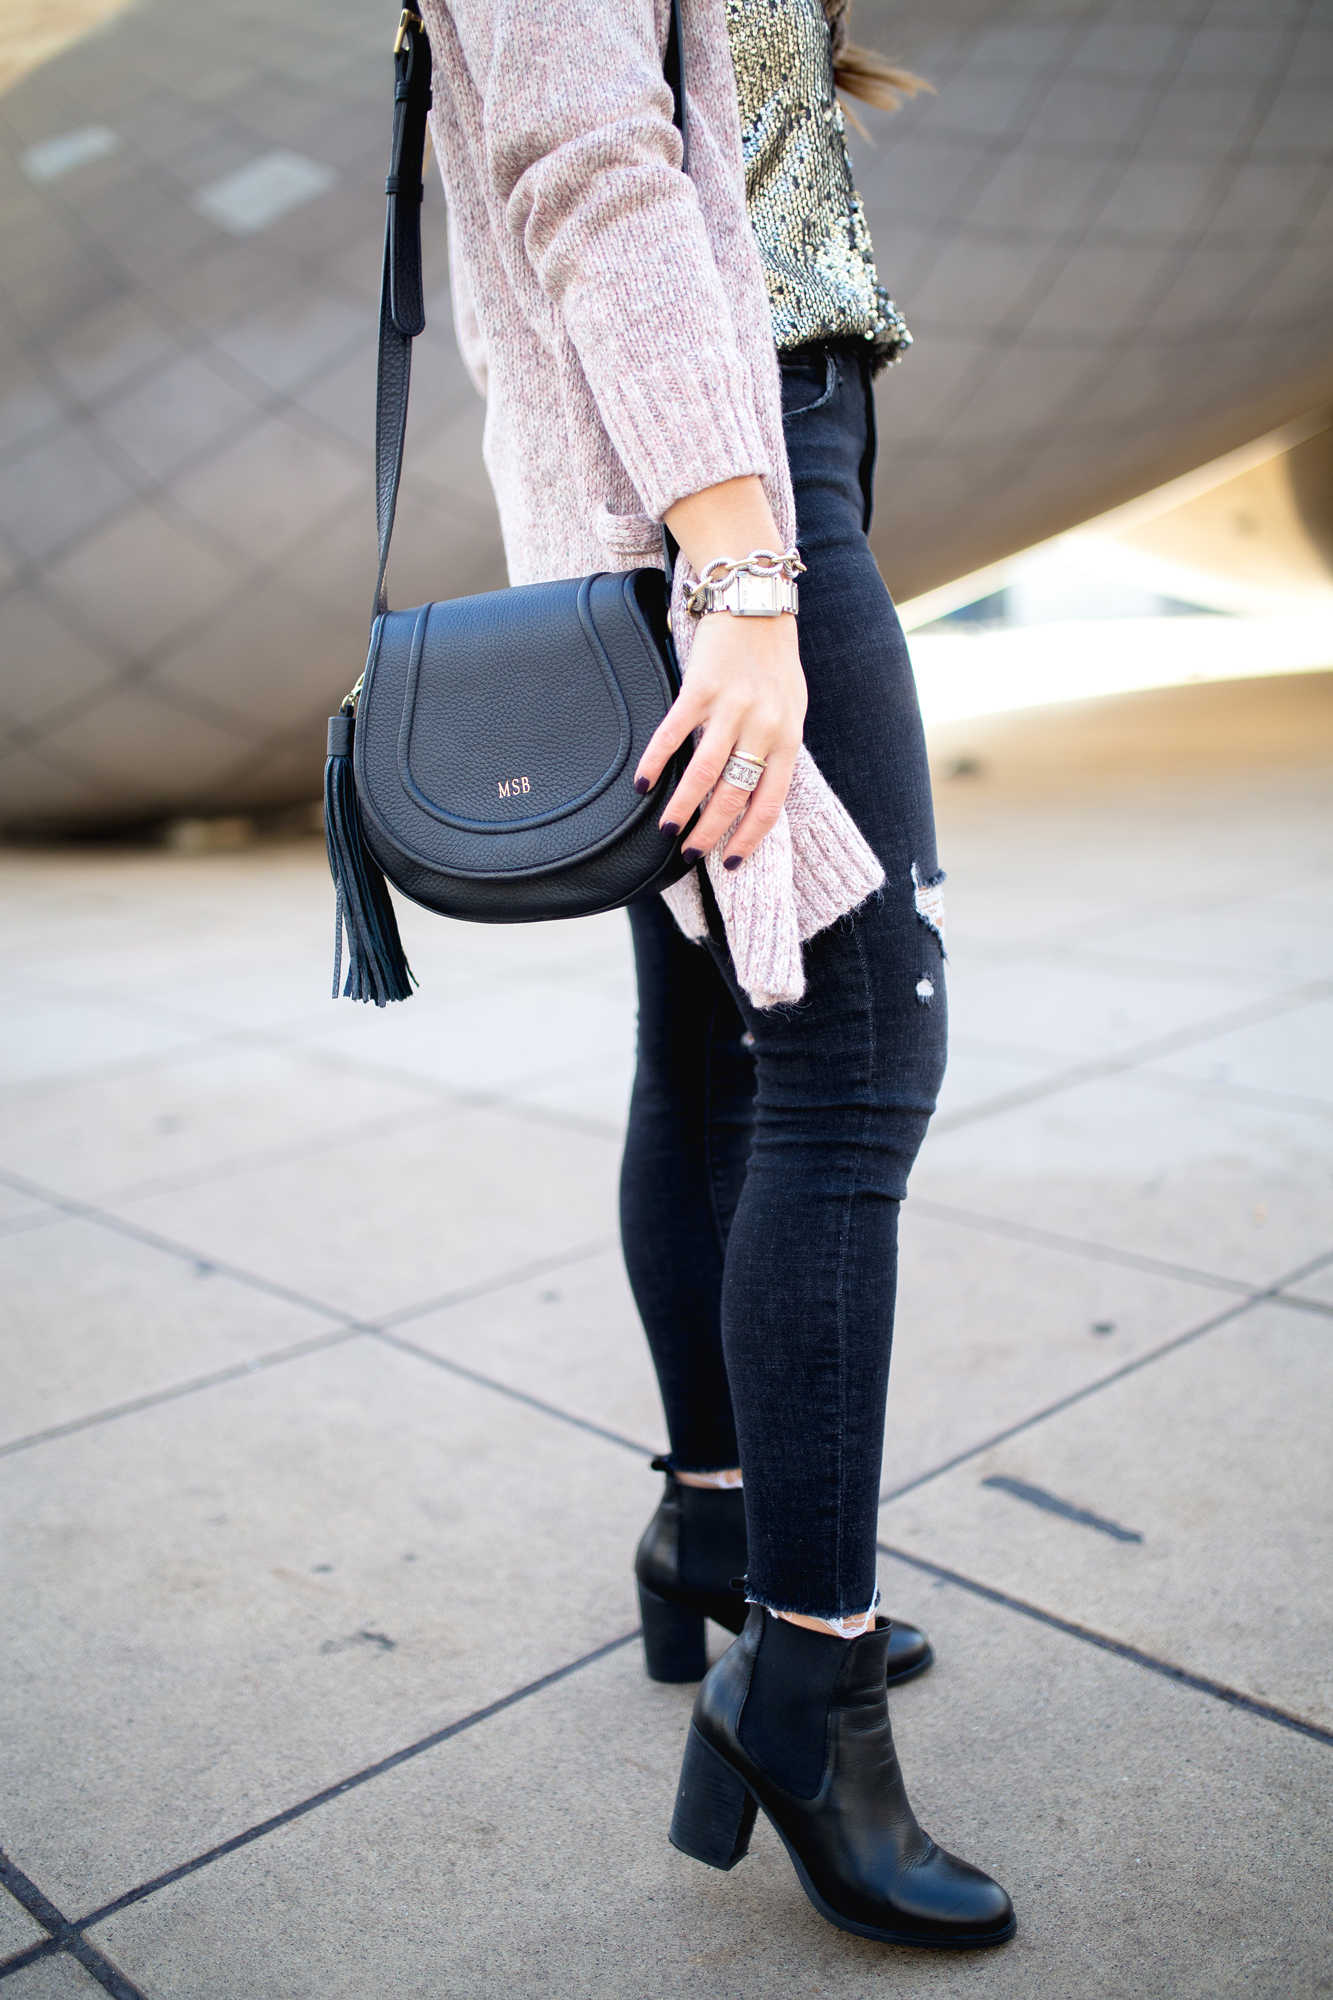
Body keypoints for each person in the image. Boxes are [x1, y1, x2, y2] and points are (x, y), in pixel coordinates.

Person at [420, 0, 1014, 1950]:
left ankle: (719, 1528)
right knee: (852, 1053)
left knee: (716, 1050)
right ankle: (802, 1681)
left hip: (750, 436)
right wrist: (740, 574)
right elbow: (588, 159)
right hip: (720, 467)